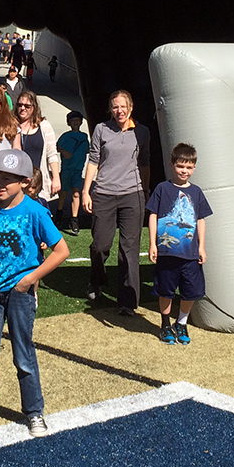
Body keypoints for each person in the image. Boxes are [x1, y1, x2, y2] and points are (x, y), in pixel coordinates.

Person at [0, 149, 69, 446]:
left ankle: (34, 412)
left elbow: (61, 251)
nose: (0, 184)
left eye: (8, 179)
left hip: (19, 294)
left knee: (23, 355)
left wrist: (29, 280)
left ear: (25, 181)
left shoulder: (35, 212)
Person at [82, 90, 150, 315]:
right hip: (103, 193)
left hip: (133, 194)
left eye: (123, 106)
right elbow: (93, 160)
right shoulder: (101, 129)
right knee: (100, 245)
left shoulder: (142, 132)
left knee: (129, 250)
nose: (119, 111)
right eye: (115, 107)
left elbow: (145, 163)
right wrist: (86, 191)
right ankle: (96, 280)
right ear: (110, 109)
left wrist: (146, 190)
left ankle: (128, 301)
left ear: (131, 107)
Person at [147, 143, 213, 345]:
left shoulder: (197, 192)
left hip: (191, 255)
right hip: (167, 253)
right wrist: (152, 244)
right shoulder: (162, 188)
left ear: (194, 168)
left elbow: (200, 219)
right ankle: (165, 324)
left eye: (189, 167)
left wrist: (201, 246)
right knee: (165, 290)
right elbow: (153, 215)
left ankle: (181, 322)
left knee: (191, 291)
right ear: (172, 164)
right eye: (180, 166)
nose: (184, 171)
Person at [15, 90, 61, 209]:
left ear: (34, 107)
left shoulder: (44, 126)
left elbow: (52, 154)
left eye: (27, 106)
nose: (23, 108)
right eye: (20, 105)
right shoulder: (11, 125)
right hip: (17, 181)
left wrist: (55, 178)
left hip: (38, 183)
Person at [56, 110, 89, 235]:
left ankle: (74, 219)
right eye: (73, 121)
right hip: (66, 169)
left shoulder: (84, 136)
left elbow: (87, 149)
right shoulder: (66, 136)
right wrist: (64, 151)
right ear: (69, 123)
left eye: (77, 120)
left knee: (76, 193)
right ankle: (59, 214)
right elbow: (58, 147)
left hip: (77, 170)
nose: (75, 122)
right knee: (63, 193)